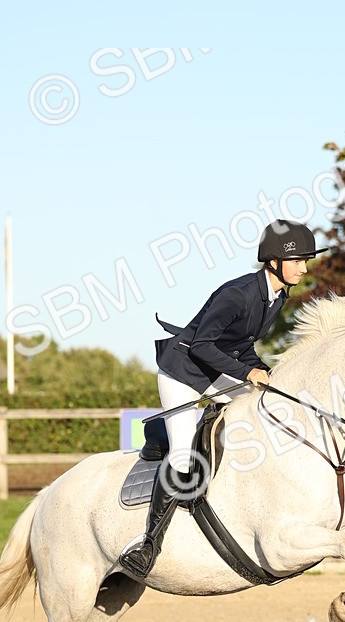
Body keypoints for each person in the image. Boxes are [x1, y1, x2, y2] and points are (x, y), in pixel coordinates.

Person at [118, 219, 326, 578]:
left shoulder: (276, 297)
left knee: (268, 409)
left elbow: (240, 346)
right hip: (182, 371)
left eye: (306, 260)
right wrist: (248, 374)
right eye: (298, 260)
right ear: (274, 261)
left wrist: (265, 373)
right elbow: (200, 345)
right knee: (183, 459)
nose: (304, 267)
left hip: (214, 368)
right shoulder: (238, 294)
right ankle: (148, 544)